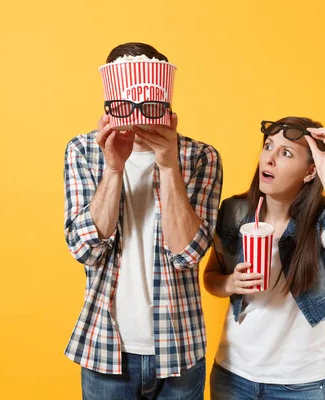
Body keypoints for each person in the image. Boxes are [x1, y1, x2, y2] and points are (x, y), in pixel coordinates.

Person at [63, 42, 223, 399]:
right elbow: (85, 249)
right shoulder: (83, 150)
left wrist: (168, 165)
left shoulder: (200, 156)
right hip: (107, 348)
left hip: (179, 347)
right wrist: (114, 167)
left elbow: (189, 255)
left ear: (166, 99)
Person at [204, 116, 325, 400]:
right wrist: (231, 283)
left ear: (309, 172)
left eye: (286, 153)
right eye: (268, 146)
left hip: (299, 383)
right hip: (233, 375)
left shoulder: (319, 221)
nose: (269, 159)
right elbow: (211, 279)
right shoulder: (234, 212)